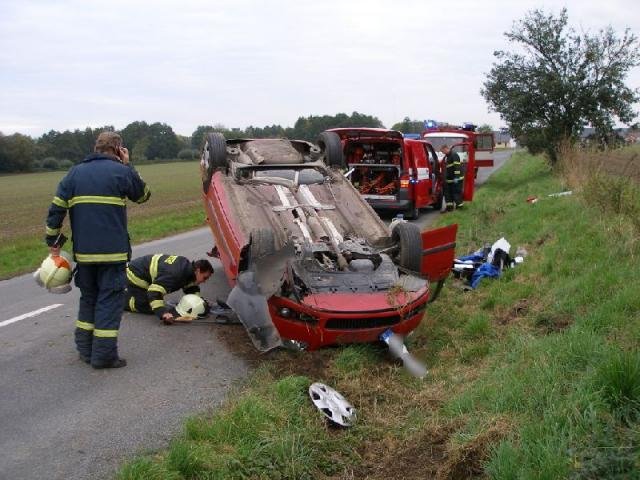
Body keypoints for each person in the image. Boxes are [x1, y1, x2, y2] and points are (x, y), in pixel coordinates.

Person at [45, 131, 151, 369]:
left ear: (96, 148)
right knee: (110, 302)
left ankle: (85, 350)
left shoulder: (73, 174)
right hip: (113, 255)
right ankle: (103, 356)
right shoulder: (121, 172)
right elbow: (143, 195)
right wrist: (129, 164)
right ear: (118, 149)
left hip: (84, 255)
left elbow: (56, 210)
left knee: (89, 299)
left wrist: (53, 241)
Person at [124, 255, 214, 324]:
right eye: (204, 278)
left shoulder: (187, 269)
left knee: (156, 302)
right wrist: (163, 313)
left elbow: (190, 287)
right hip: (135, 275)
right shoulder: (175, 274)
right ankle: (121, 301)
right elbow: (154, 291)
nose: (204, 281)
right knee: (149, 306)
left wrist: (200, 302)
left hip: (143, 271)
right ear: (198, 270)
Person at [440, 145, 464, 211]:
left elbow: (457, 167)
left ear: (446, 149)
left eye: (443, 151)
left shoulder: (454, 155)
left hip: (456, 179)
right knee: (448, 194)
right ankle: (449, 208)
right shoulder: (448, 156)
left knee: (456, 194)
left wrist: (456, 177)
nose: (443, 153)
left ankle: (460, 208)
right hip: (451, 179)